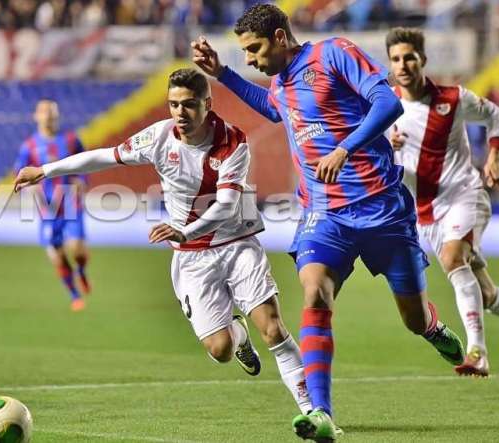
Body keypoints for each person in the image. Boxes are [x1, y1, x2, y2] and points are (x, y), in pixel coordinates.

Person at [192, 4, 464, 441]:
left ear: (280, 37)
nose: (251, 59)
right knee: (315, 292)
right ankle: (321, 414)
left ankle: (431, 327)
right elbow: (273, 106)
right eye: (244, 53)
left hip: (383, 209)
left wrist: (345, 148)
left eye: (255, 49)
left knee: (412, 317)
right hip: (325, 213)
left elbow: (387, 101)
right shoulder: (280, 83)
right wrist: (223, 74)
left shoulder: (334, 53)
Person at [14, 68, 313, 419]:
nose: (180, 114)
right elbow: (104, 156)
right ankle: (238, 335)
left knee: (274, 327)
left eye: (188, 105)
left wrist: (183, 230)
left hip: (236, 243)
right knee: (220, 349)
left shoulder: (232, 141)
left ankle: (312, 412)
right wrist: (46, 170)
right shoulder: (158, 137)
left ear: (207, 103)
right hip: (192, 258)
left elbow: (228, 205)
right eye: (173, 105)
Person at [385, 27, 499, 377]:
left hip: (465, 194)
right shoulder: (385, 110)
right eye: (396, 59)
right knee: (485, 295)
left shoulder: (454, 98)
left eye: (409, 57)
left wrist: (493, 155)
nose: (403, 64)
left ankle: (478, 352)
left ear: (423, 60)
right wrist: (389, 147)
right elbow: (380, 160)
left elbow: (495, 117)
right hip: (425, 214)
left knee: (452, 259)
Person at [15, 100, 91, 312]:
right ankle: (75, 295)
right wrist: (30, 188)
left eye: (51, 112)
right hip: (47, 208)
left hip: (69, 203)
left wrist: (81, 182)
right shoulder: (29, 146)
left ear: (57, 115)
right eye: (44, 112)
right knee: (57, 255)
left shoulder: (70, 139)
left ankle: (82, 270)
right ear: (36, 116)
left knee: (76, 248)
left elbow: (85, 163)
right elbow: (19, 172)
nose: (48, 115)